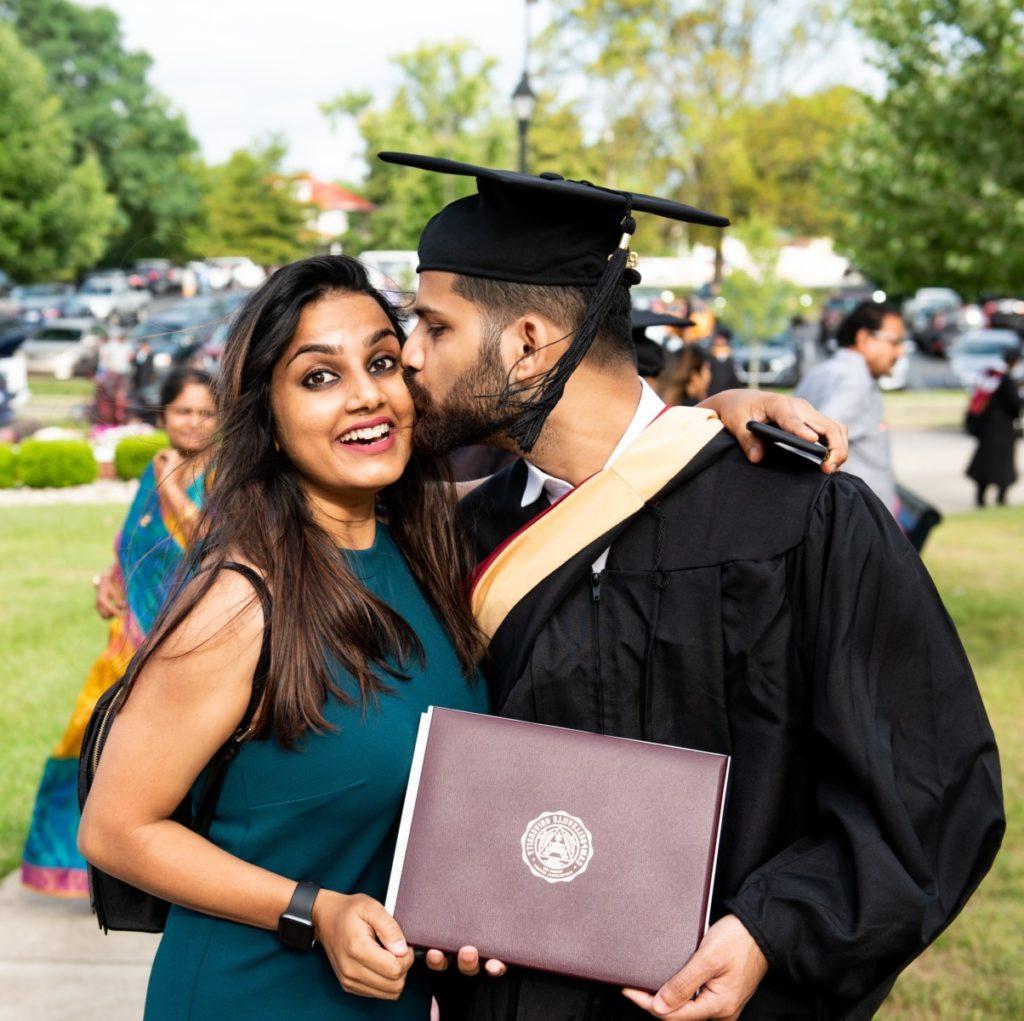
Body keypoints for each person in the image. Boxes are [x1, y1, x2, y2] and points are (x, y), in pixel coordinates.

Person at [381, 153, 1004, 1021]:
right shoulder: (460, 537)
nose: (408, 356)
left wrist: (772, 931)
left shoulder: (797, 521)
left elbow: (930, 785)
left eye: (433, 328)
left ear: (528, 343)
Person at [78, 256, 489, 1020]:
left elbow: (591, 479)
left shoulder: (427, 549)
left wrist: (716, 419)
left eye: (382, 361)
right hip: (256, 989)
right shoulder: (240, 602)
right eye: (318, 377)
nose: (367, 394)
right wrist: (313, 909)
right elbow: (114, 827)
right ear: (266, 415)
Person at [21, 368, 217, 897]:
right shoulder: (151, 473)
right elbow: (132, 545)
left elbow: (218, 551)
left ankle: (156, 874)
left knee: (161, 766)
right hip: (125, 644)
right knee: (86, 744)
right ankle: (80, 868)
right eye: (183, 412)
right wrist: (105, 583)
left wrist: (176, 490)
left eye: (206, 412)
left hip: (182, 647)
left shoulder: (226, 476)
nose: (194, 423)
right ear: (164, 415)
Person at [794, 300, 905, 514]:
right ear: (864, 338)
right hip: (860, 519)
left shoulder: (822, 371)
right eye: (894, 342)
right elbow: (814, 438)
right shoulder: (856, 381)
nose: (899, 352)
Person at [966, 348, 1022, 506]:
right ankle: (1001, 498)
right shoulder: (1006, 380)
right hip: (1002, 431)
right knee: (1002, 468)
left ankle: (981, 498)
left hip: (987, 429)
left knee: (984, 467)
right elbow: (1014, 403)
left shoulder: (991, 376)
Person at [707, 325, 742, 396]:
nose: (718, 340)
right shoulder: (709, 355)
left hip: (727, 392)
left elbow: (733, 376)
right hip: (711, 391)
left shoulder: (730, 356)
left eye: (721, 338)